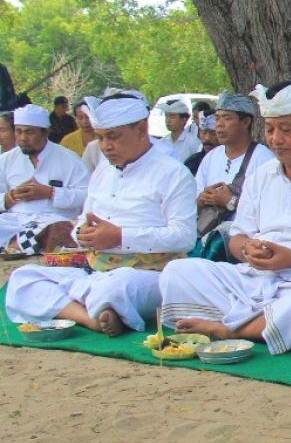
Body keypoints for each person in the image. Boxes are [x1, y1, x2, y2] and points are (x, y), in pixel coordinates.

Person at [160, 81, 291, 353]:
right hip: (257, 280)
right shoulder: (262, 176)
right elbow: (237, 237)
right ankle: (263, 323)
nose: (275, 139)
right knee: (178, 272)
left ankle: (228, 329)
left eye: (285, 130)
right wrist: (247, 249)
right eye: (270, 129)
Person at [5, 93, 197, 335]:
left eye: (113, 136)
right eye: (101, 137)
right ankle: (90, 318)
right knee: (23, 277)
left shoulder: (173, 173)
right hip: (94, 270)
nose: (105, 146)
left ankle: (97, 306)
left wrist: (119, 237)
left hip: (146, 275)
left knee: (119, 287)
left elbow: (184, 236)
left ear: (141, 128)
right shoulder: (102, 171)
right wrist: (82, 233)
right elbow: (83, 220)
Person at [0, 104, 90, 255]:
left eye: (29, 132)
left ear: (45, 132)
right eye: (18, 131)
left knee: (58, 231)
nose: (23, 138)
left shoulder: (69, 159)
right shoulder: (6, 160)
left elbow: (87, 195)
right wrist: (11, 197)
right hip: (15, 220)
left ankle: (15, 247)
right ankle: (16, 247)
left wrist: (50, 193)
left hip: (52, 221)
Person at [194, 92, 272, 238]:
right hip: (207, 239)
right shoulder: (210, 157)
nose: (219, 125)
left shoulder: (264, 159)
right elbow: (193, 204)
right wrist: (203, 199)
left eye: (227, 118)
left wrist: (230, 201)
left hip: (245, 242)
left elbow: (270, 210)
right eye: (217, 118)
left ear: (245, 122)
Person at [158, 98, 203, 162]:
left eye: (172, 117)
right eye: (166, 116)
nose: (168, 120)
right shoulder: (162, 142)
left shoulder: (193, 143)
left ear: (183, 120)